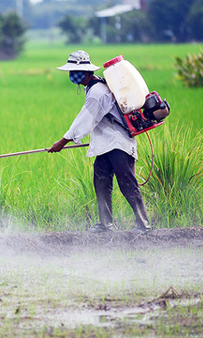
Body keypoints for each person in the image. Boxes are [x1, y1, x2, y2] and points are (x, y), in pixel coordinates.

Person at [47, 50, 151, 234]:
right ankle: (105, 224)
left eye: (74, 71)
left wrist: (62, 142)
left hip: (118, 144)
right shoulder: (93, 88)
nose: (72, 75)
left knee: (127, 182)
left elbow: (86, 119)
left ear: (86, 72)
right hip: (106, 144)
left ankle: (144, 224)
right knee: (101, 181)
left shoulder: (98, 92)